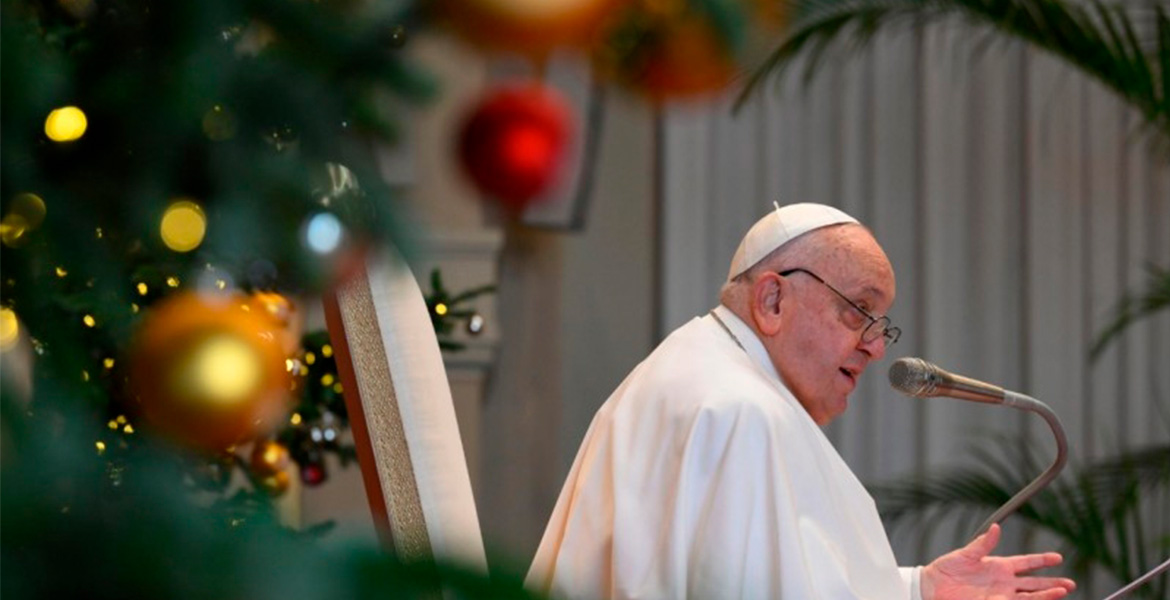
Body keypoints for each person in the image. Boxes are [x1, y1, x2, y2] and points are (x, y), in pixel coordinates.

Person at [526, 203, 1077, 599]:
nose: (877, 346)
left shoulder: (703, 372)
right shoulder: (738, 410)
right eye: (859, 311)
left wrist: (919, 589)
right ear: (772, 299)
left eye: (882, 323)